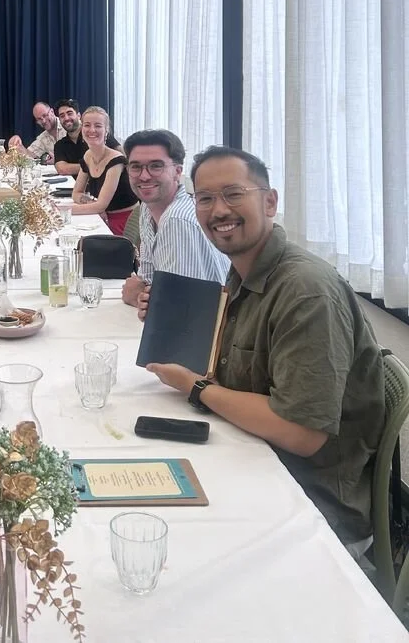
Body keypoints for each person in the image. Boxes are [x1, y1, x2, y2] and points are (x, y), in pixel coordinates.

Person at [142, 145, 385, 546]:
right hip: (252, 458)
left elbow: (301, 433)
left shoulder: (306, 291)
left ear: (270, 202)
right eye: (205, 198)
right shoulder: (244, 271)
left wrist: (195, 387)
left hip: (308, 504)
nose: (218, 210)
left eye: (234, 194)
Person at [121, 129, 229, 307]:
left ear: (177, 172)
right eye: (136, 167)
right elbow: (147, 280)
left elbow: (181, 306)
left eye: (156, 166)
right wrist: (143, 293)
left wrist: (137, 295)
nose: (144, 175)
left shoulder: (177, 221)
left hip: (208, 329)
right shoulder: (148, 208)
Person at [70, 106, 137, 235]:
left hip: (124, 224)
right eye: (87, 125)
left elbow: (101, 206)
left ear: (106, 131)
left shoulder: (116, 159)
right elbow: (76, 193)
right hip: (101, 218)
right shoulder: (88, 155)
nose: (92, 130)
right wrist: (92, 204)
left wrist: (62, 210)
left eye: (98, 126)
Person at [53, 98, 120, 176]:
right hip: (72, 186)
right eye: (62, 116)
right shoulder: (60, 145)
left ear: (78, 116)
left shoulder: (96, 135)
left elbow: (121, 156)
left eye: (70, 113)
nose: (66, 118)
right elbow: (62, 169)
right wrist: (96, 166)